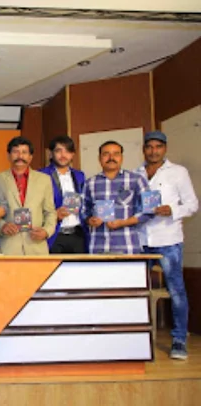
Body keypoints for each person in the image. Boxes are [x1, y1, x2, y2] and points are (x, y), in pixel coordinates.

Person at [136, 130, 198, 360]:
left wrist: (172, 210)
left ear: (165, 148)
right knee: (136, 291)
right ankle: (137, 337)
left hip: (169, 240)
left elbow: (192, 204)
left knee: (176, 291)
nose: (154, 151)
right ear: (144, 149)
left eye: (158, 146)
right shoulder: (136, 173)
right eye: (149, 146)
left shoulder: (178, 172)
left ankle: (179, 340)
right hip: (141, 241)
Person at [82, 140, 149, 254]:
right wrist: (90, 220)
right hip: (98, 247)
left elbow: (149, 210)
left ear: (122, 157)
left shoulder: (136, 180)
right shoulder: (90, 183)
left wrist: (124, 222)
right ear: (99, 158)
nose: (111, 158)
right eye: (106, 154)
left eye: (116, 154)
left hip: (128, 246)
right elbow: (83, 210)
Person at [0, 136, 56, 255]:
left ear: (30, 157)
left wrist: (46, 231)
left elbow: (50, 211)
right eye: (16, 152)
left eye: (24, 152)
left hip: (36, 245)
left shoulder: (44, 180)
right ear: (8, 155)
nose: (20, 156)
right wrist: (2, 226)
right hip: (9, 246)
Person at [39, 135, 87, 253]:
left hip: (77, 234)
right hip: (54, 235)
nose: (63, 155)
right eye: (58, 151)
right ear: (51, 154)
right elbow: (34, 206)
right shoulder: (41, 175)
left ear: (73, 154)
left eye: (67, 151)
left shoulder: (80, 175)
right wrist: (54, 215)